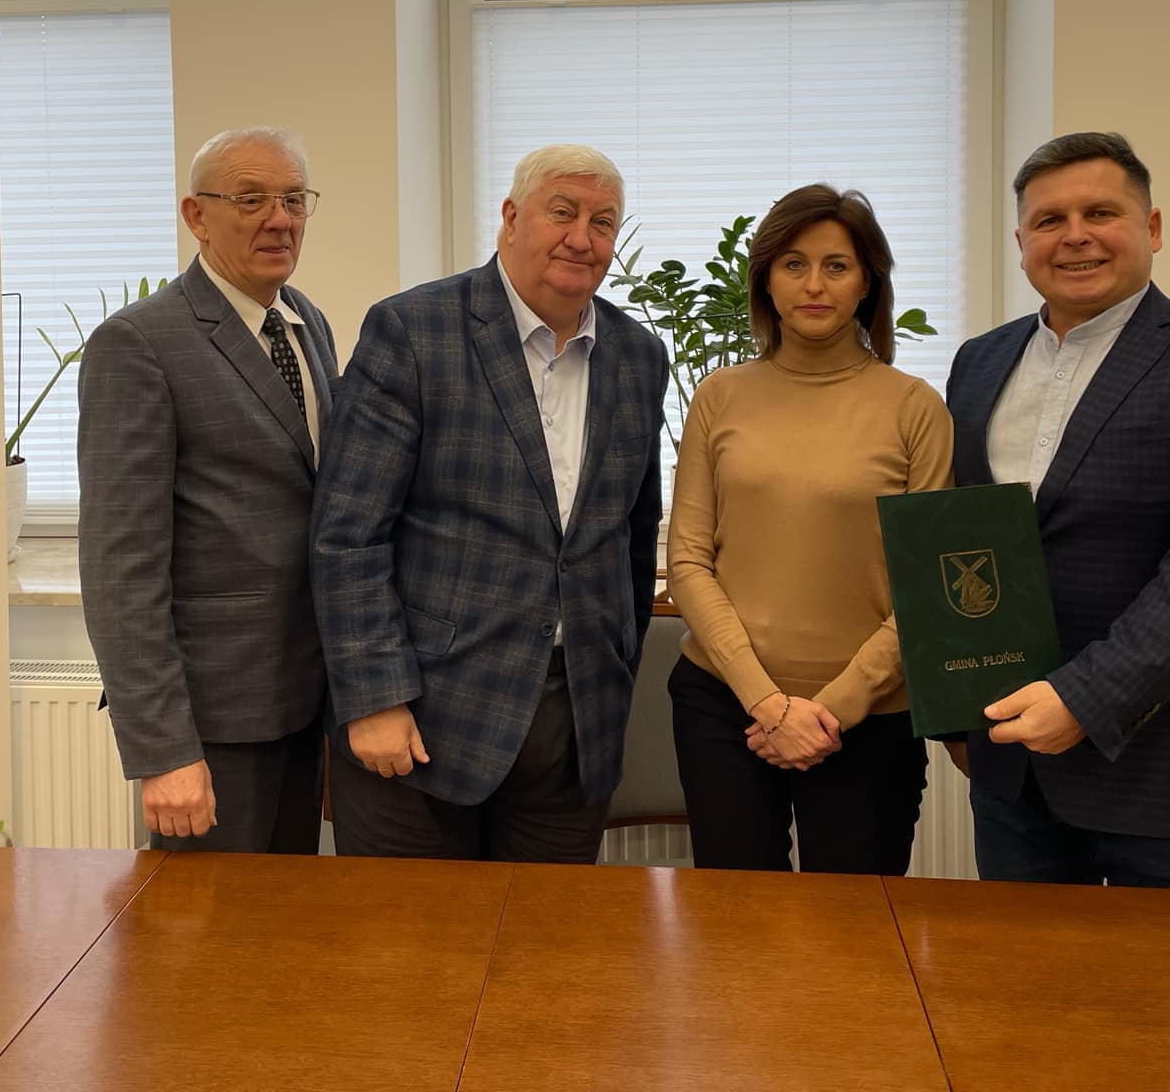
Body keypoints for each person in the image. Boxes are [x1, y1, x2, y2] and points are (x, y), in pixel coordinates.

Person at [944, 131, 1170, 890]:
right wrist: (955, 711)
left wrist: (1084, 698)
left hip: (1163, 775)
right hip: (1012, 774)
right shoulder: (978, 361)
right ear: (1021, 243)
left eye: (1101, 213)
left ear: (1153, 227)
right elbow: (962, 542)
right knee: (1013, 971)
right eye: (1049, 220)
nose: (1075, 235)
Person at [310, 144, 667, 862]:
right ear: (510, 218)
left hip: (573, 733)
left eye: (602, 222)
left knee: (546, 936)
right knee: (410, 935)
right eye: (561, 212)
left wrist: (617, 670)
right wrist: (375, 697)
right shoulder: (415, 331)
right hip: (423, 723)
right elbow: (348, 535)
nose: (581, 238)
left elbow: (632, 533)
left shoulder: (638, 355)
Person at [665, 184, 951, 874]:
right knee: (735, 923)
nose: (814, 284)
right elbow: (689, 562)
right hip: (725, 707)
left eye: (836, 265)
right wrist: (766, 703)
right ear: (766, 279)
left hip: (870, 719)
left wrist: (832, 711)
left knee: (854, 930)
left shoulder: (915, 408)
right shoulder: (719, 396)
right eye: (793, 264)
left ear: (867, 282)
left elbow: (928, 588)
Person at [77, 127, 338, 852]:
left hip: (303, 704)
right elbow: (119, 566)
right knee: (206, 922)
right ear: (197, 215)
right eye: (251, 199)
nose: (279, 220)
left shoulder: (306, 322)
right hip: (210, 724)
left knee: (285, 915)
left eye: (293, 199)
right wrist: (163, 751)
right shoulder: (138, 343)